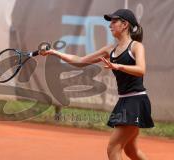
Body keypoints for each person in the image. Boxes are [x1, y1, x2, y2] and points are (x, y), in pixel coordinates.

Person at [40, 9, 154, 160]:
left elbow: (141, 70)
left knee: (113, 148)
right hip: (124, 100)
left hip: (136, 101)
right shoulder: (109, 49)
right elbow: (80, 61)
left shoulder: (136, 47)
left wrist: (118, 66)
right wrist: (54, 52)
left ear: (125, 24)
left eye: (114, 21)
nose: (110, 25)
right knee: (131, 151)